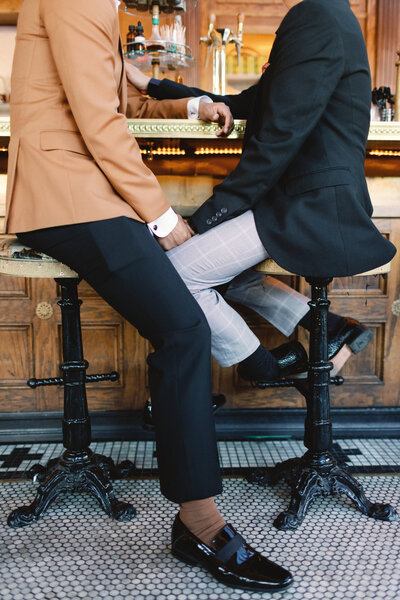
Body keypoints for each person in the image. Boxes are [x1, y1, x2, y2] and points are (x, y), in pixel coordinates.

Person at [5, 0, 293, 592]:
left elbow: (121, 104)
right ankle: (202, 524)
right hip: (67, 190)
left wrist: (191, 104)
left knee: (184, 325)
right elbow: (97, 120)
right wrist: (161, 219)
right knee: (185, 330)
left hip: (91, 187)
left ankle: (196, 520)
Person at [124, 0, 396, 385]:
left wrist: (203, 220)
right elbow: (248, 104)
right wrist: (153, 85)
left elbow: (277, 138)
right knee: (211, 268)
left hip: (312, 205)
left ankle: (264, 368)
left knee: (177, 274)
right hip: (297, 199)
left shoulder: (318, 15)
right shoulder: (327, 15)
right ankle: (331, 328)